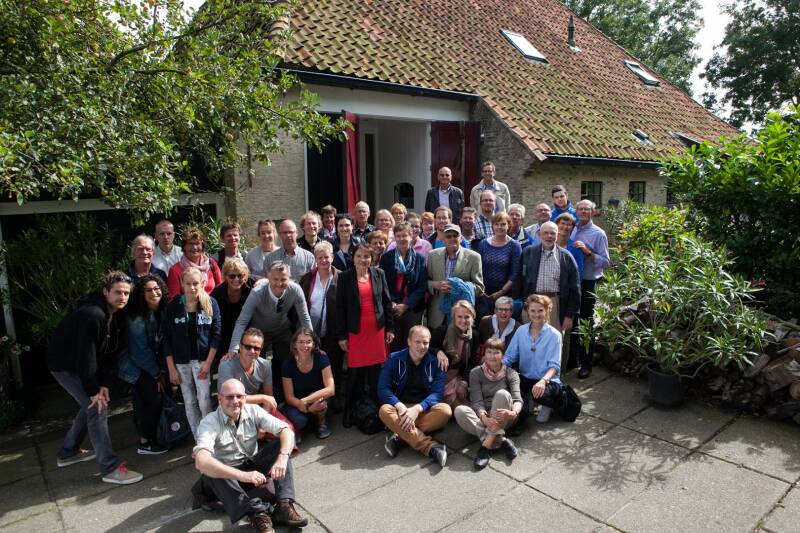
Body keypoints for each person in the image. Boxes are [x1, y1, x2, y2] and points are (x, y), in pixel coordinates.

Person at [47, 271, 143, 484]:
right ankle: (109, 468)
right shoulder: (93, 315)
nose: (123, 297)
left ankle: (68, 451)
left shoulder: (113, 315)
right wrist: (93, 390)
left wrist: (104, 384)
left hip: (80, 366)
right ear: (105, 291)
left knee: (89, 405)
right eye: (118, 292)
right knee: (97, 407)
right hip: (64, 366)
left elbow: (109, 353)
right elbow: (86, 357)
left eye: (126, 293)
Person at [193, 378, 307, 532]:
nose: (235, 401)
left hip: (251, 466)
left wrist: (282, 458)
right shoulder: (209, 423)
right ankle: (258, 514)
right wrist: (243, 476)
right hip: (228, 477)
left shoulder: (253, 410)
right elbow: (201, 461)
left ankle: (284, 507)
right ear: (220, 399)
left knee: (281, 444)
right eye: (229, 397)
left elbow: (286, 430)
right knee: (210, 469)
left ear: (245, 398)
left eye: (239, 396)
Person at [229, 261, 312, 402]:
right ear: (268, 277)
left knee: (289, 361)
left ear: (290, 278)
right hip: (259, 333)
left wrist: (312, 343)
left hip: (282, 330)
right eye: (275, 279)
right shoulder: (257, 293)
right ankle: (256, 398)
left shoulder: (295, 289)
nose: (279, 283)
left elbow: (304, 317)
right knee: (255, 365)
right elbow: (242, 321)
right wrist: (234, 347)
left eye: (283, 279)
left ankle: (289, 398)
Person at [335, 244, 395, 427]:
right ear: (353, 258)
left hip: (376, 330)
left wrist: (390, 329)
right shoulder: (345, 278)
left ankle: (374, 410)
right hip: (355, 332)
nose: (363, 260)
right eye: (359, 256)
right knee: (354, 374)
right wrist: (342, 336)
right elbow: (340, 309)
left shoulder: (379, 274)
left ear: (372, 258)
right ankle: (349, 411)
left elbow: (386, 302)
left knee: (375, 373)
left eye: (367, 256)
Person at [378, 326, 451, 467]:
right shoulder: (394, 359)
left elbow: (437, 393)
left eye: (425, 343)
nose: (421, 346)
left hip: (423, 409)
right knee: (384, 410)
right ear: (409, 341)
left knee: (445, 411)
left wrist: (417, 409)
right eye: (417, 342)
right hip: (401, 409)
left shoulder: (436, 362)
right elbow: (383, 389)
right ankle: (431, 447)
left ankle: (400, 437)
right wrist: (399, 406)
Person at [164, 267, 222, 438]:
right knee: (189, 401)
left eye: (196, 283)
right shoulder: (174, 306)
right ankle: (199, 439)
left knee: (204, 402)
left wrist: (209, 363)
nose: (192, 288)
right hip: (181, 362)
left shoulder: (210, 304)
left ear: (203, 283)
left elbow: (216, 335)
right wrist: (171, 368)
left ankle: (210, 435)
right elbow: (166, 338)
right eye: (188, 283)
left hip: (202, 361)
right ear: (181, 283)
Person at [118, 275, 168, 455]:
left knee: (151, 397)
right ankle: (145, 442)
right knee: (155, 396)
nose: (154, 292)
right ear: (141, 294)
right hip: (132, 365)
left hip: (148, 363)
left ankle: (152, 433)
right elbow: (140, 352)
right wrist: (157, 375)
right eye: (148, 290)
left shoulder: (162, 311)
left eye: (157, 288)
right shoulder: (136, 318)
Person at [454, 338, 522, 470]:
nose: (492, 356)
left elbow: (517, 400)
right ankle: (501, 440)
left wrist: (513, 413)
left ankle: (485, 447)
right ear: (484, 354)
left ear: (502, 354)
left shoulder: (511, 373)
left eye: (496, 352)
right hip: (485, 417)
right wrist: (485, 419)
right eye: (489, 352)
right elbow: (477, 401)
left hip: (505, 417)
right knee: (459, 411)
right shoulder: (475, 373)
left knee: (502, 394)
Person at [503, 295, 564, 434]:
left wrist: (543, 381)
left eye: (540, 310)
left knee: (541, 396)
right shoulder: (521, 331)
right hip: (526, 378)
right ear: (528, 312)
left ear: (548, 311)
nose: (536, 314)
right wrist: (494, 370)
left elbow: (554, 366)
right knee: (520, 411)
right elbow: (509, 357)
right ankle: (529, 403)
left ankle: (546, 403)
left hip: (547, 380)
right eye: (533, 311)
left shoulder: (555, 335)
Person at [514, 221, 580, 333]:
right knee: (530, 339)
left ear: (557, 235)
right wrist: (520, 303)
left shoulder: (566, 257)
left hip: (555, 304)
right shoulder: (528, 252)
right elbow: (518, 280)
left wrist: (569, 315)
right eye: (546, 233)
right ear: (539, 234)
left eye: (552, 233)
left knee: (553, 340)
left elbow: (575, 288)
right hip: (531, 303)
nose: (549, 236)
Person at [298, 241, 344, 406]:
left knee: (334, 365)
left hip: (334, 332)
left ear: (332, 257)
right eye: (320, 258)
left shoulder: (341, 277)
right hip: (312, 332)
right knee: (314, 365)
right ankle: (317, 401)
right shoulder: (307, 278)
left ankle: (334, 398)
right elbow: (300, 304)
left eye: (327, 257)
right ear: (315, 260)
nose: (324, 260)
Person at [570, 199, 611, 379]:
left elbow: (606, 262)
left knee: (586, 324)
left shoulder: (598, 233)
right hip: (572, 282)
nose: (583, 211)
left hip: (588, 282)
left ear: (593, 212)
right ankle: (573, 359)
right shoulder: (572, 228)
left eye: (587, 209)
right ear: (576, 210)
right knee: (572, 321)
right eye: (580, 208)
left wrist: (588, 252)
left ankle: (587, 364)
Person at [426, 224, 485, 330]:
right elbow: (425, 282)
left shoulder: (474, 257)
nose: (452, 239)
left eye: (455, 236)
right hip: (437, 314)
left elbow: (480, 287)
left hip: (462, 316)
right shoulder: (432, 255)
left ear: (461, 237)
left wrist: (460, 288)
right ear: (443, 239)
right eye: (448, 236)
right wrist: (435, 285)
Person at [380, 223, 427, 351]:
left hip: (412, 307)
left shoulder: (420, 259)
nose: (401, 239)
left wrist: (406, 305)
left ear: (411, 236)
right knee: (394, 342)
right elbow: (384, 284)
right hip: (392, 306)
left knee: (411, 342)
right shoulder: (386, 258)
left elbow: (422, 287)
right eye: (398, 236)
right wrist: (394, 304)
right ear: (394, 238)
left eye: (404, 235)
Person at [282, 328, 335, 440]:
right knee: (300, 421)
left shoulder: (321, 357)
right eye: (301, 342)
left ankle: (322, 423)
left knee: (321, 401)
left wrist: (307, 400)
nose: (305, 345)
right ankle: (300, 427)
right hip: (297, 402)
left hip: (316, 398)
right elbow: (289, 397)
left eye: (308, 342)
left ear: (314, 343)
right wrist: (304, 405)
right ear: (294, 344)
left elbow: (331, 389)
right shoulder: (288, 363)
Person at [430, 300, 478, 407]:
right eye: (459, 317)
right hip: (439, 377)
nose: (463, 320)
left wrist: (464, 382)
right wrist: (438, 352)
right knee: (458, 407)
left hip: (457, 377)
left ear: (472, 317)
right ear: (454, 317)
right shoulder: (442, 331)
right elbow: (428, 347)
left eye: (467, 317)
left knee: (466, 404)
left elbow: (472, 362)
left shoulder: (474, 335)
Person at [218, 329, 277, 415]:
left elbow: (269, 396)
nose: (252, 351)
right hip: (231, 408)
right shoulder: (226, 365)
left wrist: (263, 419)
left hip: (254, 409)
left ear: (261, 350)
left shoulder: (265, 365)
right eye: (248, 347)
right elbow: (232, 398)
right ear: (240, 347)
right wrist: (263, 398)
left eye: (256, 348)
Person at [211, 258, 254, 374]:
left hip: (245, 333)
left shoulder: (251, 290)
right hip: (222, 334)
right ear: (225, 276)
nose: (236, 279)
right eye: (232, 276)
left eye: (240, 276)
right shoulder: (216, 294)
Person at [474, 213, 522, 312]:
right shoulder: (483, 244)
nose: (499, 227)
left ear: (509, 226)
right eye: (497, 224)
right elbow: (477, 269)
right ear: (492, 226)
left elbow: (515, 273)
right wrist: (481, 291)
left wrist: (501, 292)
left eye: (503, 224)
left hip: (505, 294)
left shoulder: (514, 246)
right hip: (484, 293)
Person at [167, 226, 222, 298]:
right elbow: (175, 300)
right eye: (190, 243)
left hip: (212, 307)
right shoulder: (175, 270)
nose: (194, 247)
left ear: (202, 245)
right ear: (184, 246)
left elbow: (221, 290)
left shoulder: (211, 264)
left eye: (197, 243)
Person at [555, 212, 585, 282]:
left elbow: (579, 273)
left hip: (569, 287)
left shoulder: (576, 247)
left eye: (568, 224)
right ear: (556, 224)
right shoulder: (549, 244)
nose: (565, 227)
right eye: (562, 223)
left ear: (572, 228)